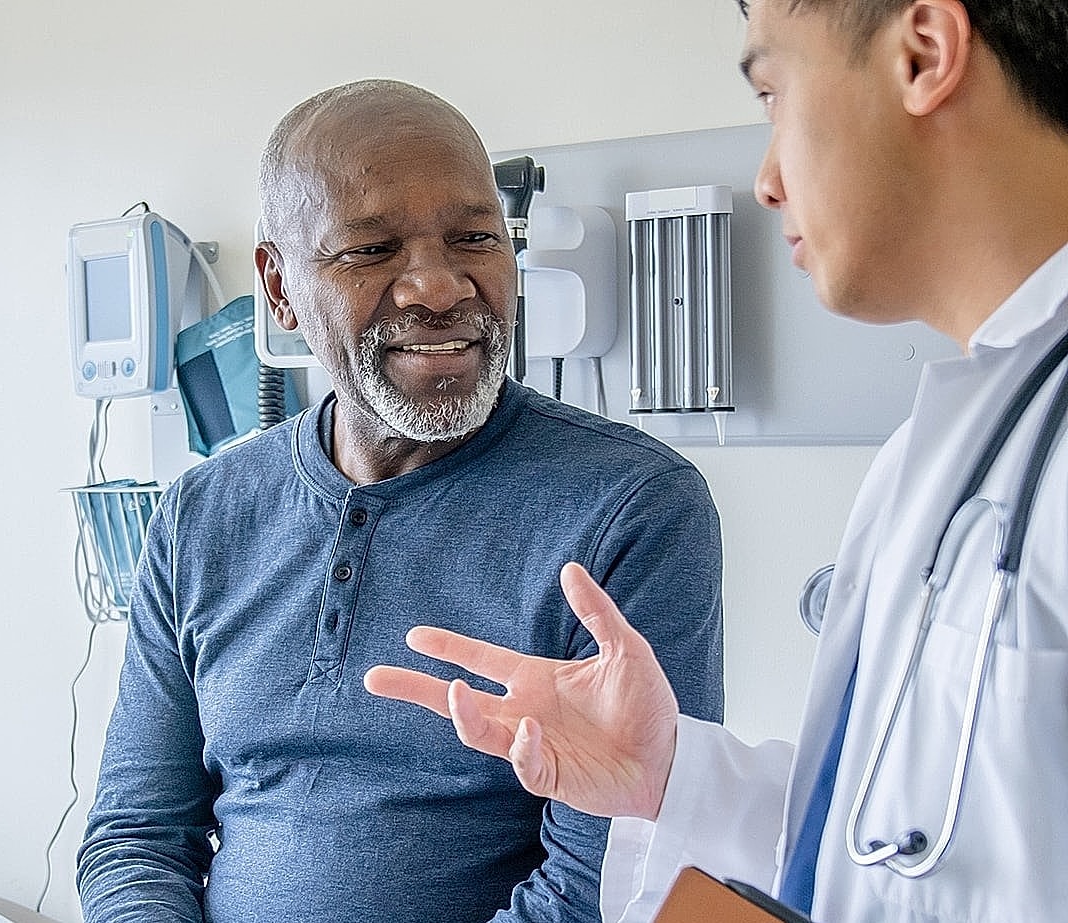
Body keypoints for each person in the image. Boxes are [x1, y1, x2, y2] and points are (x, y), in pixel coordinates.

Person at [364, 2, 1068, 921]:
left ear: (923, 55)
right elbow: (905, 842)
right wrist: (669, 773)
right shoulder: (954, 442)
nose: (767, 179)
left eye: (774, 93)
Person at [75, 79, 725, 923]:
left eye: (473, 238)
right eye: (373, 250)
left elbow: (605, 889)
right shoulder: (203, 514)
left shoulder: (630, 509)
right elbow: (136, 834)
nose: (438, 286)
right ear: (278, 288)